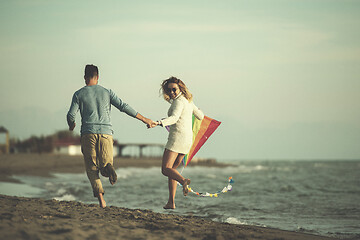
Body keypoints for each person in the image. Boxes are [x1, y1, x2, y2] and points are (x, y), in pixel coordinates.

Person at [67, 64, 154, 208]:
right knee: (105, 164)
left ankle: (101, 200)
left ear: (84, 77)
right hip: (106, 134)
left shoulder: (79, 94)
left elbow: (71, 115)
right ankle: (108, 167)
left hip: (88, 133)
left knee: (92, 167)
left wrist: (71, 125)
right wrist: (145, 119)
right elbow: (124, 106)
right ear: (98, 77)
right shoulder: (107, 92)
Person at [151, 77, 204, 209]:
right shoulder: (188, 101)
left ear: (180, 88)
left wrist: (159, 123)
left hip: (176, 139)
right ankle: (171, 202)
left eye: (174, 89)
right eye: (169, 90)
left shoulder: (178, 102)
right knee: (172, 171)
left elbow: (174, 118)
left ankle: (183, 181)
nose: (172, 92)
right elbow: (201, 116)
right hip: (187, 141)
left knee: (165, 169)